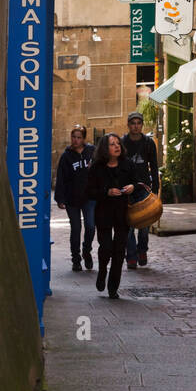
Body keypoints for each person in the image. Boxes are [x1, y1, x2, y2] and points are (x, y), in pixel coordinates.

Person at [86, 133, 142, 298]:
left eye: (118, 143)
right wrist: (107, 192)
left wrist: (132, 186)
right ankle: (102, 271)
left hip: (123, 212)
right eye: (112, 144)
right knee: (106, 248)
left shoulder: (128, 164)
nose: (117, 146)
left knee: (119, 250)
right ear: (105, 148)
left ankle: (113, 287)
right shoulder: (97, 167)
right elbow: (89, 192)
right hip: (103, 213)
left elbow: (138, 182)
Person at [121, 110, 160, 269]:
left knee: (144, 223)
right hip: (127, 188)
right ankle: (131, 255)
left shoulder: (148, 143)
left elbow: (154, 166)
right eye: (133, 123)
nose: (136, 126)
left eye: (138, 123)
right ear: (128, 125)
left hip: (144, 187)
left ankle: (142, 250)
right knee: (128, 224)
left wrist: (155, 190)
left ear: (142, 125)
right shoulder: (122, 142)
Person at [53, 126, 95, 271]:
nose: (75, 140)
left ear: (84, 139)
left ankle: (87, 250)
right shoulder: (66, 156)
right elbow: (61, 178)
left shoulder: (92, 152)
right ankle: (76, 259)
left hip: (89, 197)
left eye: (78, 137)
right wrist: (60, 198)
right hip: (72, 198)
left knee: (90, 226)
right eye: (73, 137)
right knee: (76, 228)